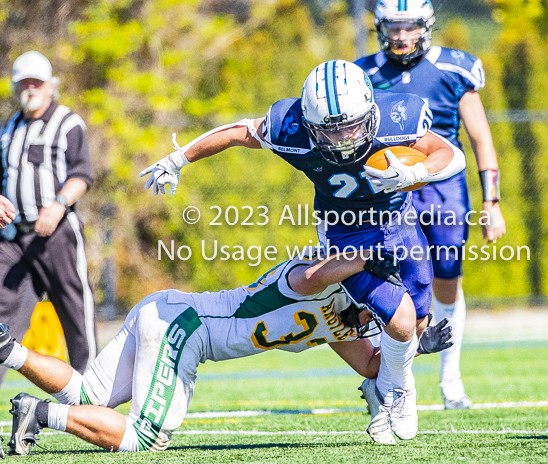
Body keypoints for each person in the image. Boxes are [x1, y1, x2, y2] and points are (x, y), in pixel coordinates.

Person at [139, 59, 466, 443]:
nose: (343, 138)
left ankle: (386, 388)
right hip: (344, 235)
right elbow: (237, 132)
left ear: (370, 107)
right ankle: (400, 394)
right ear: (310, 125)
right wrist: (180, 158)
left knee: (418, 323)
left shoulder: (397, 115)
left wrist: (417, 173)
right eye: (331, 131)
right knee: (402, 320)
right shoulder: (289, 126)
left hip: (398, 225)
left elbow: (450, 155)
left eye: (351, 126)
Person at [2, 250, 452, 454]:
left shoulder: (340, 325)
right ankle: (38, 414)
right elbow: (314, 276)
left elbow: (374, 366)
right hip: (187, 327)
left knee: (89, 400)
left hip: (167, 311)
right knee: (145, 437)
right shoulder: (316, 276)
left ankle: (7, 351)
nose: (373, 320)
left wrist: (411, 347)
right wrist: (369, 257)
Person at [355, 0, 507, 409]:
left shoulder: (454, 68)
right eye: (393, 27)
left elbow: (480, 139)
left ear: (425, 26)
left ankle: (450, 379)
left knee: (445, 279)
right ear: (380, 28)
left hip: (442, 186)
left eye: (409, 27)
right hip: (386, 186)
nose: (401, 36)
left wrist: (491, 201)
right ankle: (382, 380)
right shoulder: (364, 74)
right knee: (378, 279)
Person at [0, 51, 97, 384]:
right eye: (24, 82)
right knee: (3, 316)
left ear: (50, 86)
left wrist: (57, 205)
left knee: (75, 312)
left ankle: (94, 391)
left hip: (56, 236)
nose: (31, 88)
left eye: (36, 82)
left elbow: (82, 173)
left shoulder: (67, 122)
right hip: (14, 239)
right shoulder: (9, 128)